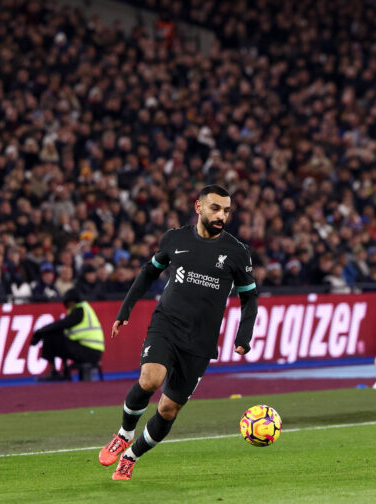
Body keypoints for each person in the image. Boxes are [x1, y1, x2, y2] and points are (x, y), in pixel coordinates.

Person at [98, 185, 258, 481]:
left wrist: (243, 337)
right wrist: (125, 311)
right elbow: (149, 272)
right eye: (215, 208)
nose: (221, 215)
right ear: (198, 207)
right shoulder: (175, 238)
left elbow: (250, 296)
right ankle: (123, 434)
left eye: (226, 210)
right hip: (167, 325)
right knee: (150, 379)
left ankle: (131, 457)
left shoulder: (236, 252)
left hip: (200, 341)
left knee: (169, 409)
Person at [30, 289, 105, 381]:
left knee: (50, 335)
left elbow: (62, 324)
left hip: (89, 351)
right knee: (59, 338)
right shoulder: (84, 309)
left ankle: (54, 373)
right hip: (92, 351)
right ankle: (64, 372)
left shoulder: (79, 309)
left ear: (73, 301)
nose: (69, 306)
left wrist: (41, 332)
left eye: (69, 303)